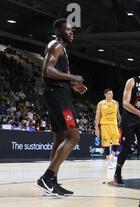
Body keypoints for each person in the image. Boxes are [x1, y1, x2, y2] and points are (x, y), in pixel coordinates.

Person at [36, 18, 87, 197]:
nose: (72, 32)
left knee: (59, 138)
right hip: (57, 96)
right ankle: (47, 177)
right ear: (59, 31)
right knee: (73, 137)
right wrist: (72, 78)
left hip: (57, 93)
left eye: (72, 30)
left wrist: (73, 85)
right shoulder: (56, 45)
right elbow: (47, 71)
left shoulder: (61, 48)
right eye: (68, 30)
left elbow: (56, 74)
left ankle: (52, 182)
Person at [95, 89, 121, 169]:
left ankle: (113, 157)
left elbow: (118, 114)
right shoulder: (101, 103)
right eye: (109, 94)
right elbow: (97, 116)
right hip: (104, 125)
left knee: (116, 142)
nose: (111, 95)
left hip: (114, 124)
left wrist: (120, 123)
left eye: (112, 94)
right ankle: (109, 162)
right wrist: (96, 128)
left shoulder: (116, 103)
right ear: (105, 94)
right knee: (106, 144)